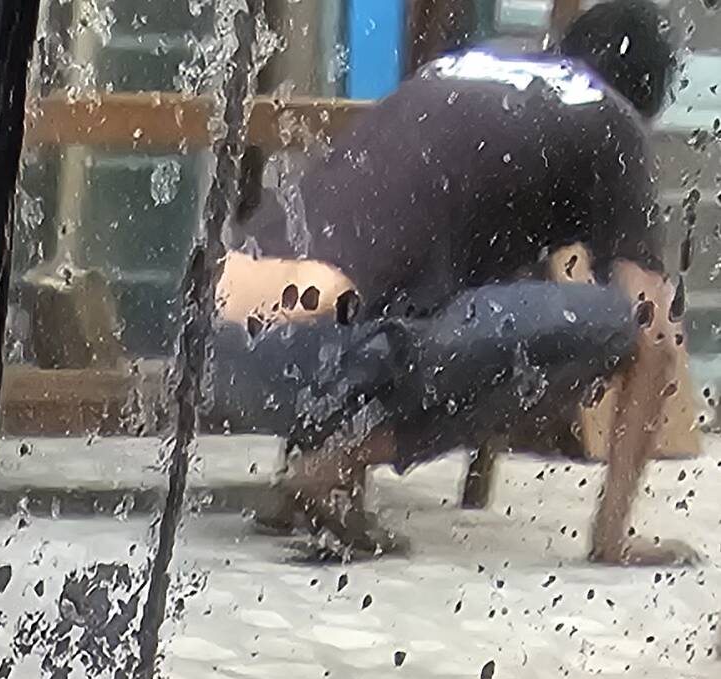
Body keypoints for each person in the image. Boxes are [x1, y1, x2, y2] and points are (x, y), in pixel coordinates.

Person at [208, 1, 692, 561]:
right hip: (311, 358)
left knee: (399, 279)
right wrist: (615, 539)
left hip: (214, 352)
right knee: (615, 321)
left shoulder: (466, 69)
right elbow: (655, 334)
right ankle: (333, 462)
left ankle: (311, 478)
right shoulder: (613, 122)